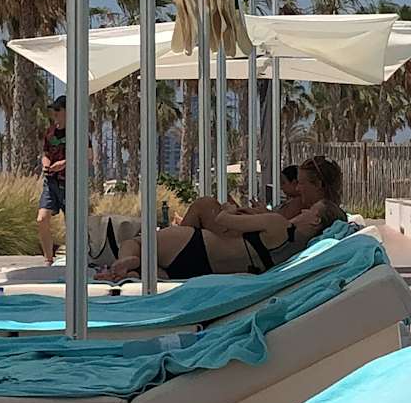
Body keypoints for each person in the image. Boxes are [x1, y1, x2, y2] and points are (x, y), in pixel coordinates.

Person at [100, 156, 346, 282]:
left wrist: (230, 210)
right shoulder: (304, 236)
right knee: (155, 266)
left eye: (301, 183)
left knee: (135, 243)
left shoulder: (283, 223)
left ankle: (126, 262)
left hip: (197, 245)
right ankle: (134, 271)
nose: (298, 189)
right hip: (206, 267)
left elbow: (225, 221)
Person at [36, 96, 70, 265]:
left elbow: (88, 156)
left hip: (70, 184)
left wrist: (64, 164)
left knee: (72, 223)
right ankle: (48, 258)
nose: (54, 113)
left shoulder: (77, 132)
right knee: (42, 219)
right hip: (51, 182)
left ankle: (75, 257)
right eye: (53, 110)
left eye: (58, 110)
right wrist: (46, 163)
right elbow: (45, 154)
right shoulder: (50, 133)